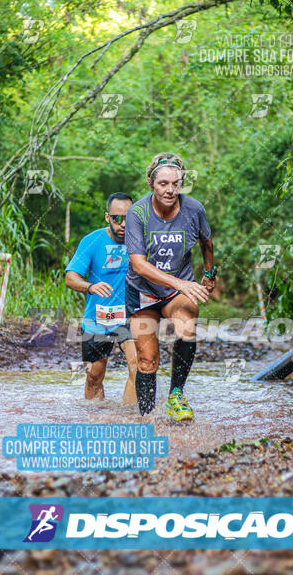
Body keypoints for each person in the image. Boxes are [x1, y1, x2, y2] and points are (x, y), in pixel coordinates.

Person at [125, 152, 216, 421]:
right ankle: (147, 419)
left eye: (176, 184)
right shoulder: (137, 213)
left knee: (188, 322)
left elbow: (207, 241)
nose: (170, 190)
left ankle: (176, 394)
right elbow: (139, 265)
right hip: (142, 291)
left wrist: (209, 273)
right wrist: (182, 283)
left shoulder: (194, 209)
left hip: (177, 292)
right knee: (147, 360)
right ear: (152, 184)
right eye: (163, 184)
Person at [65, 192, 137, 402]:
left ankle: (129, 420)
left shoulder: (142, 240)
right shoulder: (92, 241)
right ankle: (95, 420)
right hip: (97, 318)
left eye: (128, 218)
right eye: (117, 218)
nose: (123, 224)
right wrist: (90, 286)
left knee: (138, 367)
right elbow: (71, 277)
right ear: (107, 217)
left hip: (130, 316)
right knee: (94, 377)